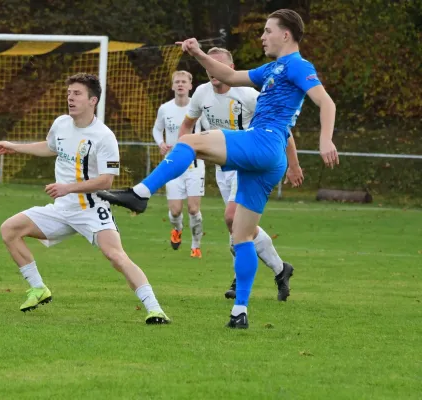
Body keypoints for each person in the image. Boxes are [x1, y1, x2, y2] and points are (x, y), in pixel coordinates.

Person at [98, 9, 338, 329]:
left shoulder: (298, 65)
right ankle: (240, 312)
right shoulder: (273, 67)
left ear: (286, 34)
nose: (262, 36)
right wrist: (197, 53)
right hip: (269, 159)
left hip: (262, 143)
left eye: (267, 31)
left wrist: (325, 140)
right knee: (241, 236)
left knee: (191, 142)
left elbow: (327, 102)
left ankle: (140, 193)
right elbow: (228, 75)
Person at [0, 73, 170, 325]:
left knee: (116, 256)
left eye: (77, 94)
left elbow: (107, 181)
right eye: (69, 93)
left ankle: (155, 310)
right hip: (61, 208)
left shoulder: (105, 136)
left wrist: (68, 188)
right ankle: (38, 288)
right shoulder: (61, 123)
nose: (70, 98)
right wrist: (14, 146)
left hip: (91, 208)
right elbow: (50, 147)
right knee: (9, 229)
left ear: (92, 100)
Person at [178, 47, 303, 301]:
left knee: (233, 218)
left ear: (231, 69)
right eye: (209, 65)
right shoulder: (201, 93)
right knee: (237, 226)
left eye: (219, 64)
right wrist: (181, 151)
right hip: (223, 167)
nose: (214, 70)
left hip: (248, 164)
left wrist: (294, 164)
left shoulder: (248, 95)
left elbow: (281, 129)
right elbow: (187, 124)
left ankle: (242, 277)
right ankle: (280, 270)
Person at [153, 70, 205, 258]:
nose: (180, 84)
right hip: (173, 164)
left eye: (184, 81)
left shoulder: (197, 107)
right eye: (177, 82)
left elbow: (209, 129)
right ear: (173, 86)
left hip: (195, 164)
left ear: (191, 86)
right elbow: (157, 129)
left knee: (193, 208)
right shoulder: (165, 109)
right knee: (175, 211)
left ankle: (195, 245)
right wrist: (161, 143)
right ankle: (177, 229)